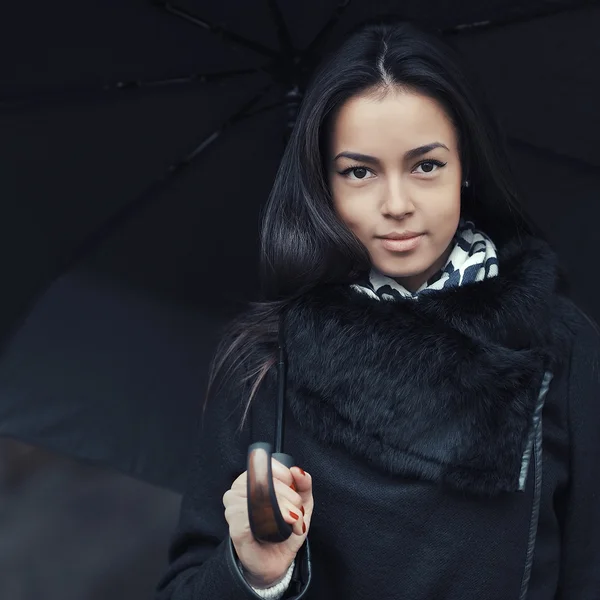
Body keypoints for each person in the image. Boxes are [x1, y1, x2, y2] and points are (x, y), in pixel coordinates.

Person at [154, 18, 600, 600]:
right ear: (325, 184)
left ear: (467, 169)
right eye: (359, 172)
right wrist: (255, 571)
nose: (396, 205)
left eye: (426, 166)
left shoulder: (559, 345)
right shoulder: (265, 362)